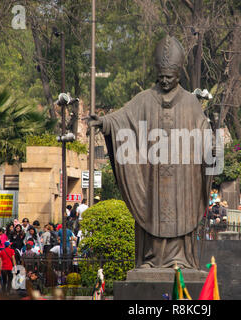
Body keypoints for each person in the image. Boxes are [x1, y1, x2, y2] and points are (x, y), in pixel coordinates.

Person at [89, 35, 213, 269]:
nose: (165, 81)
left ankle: (181, 260)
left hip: (182, 178)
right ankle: (151, 260)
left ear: (178, 74)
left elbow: (203, 129)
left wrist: (210, 145)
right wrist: (103, 122)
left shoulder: (190, 102)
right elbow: (122, 119)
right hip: (152, 175)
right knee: (151, 212)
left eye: (170, 77)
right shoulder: (144, 99)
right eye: (162, 76)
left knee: (180, 214)